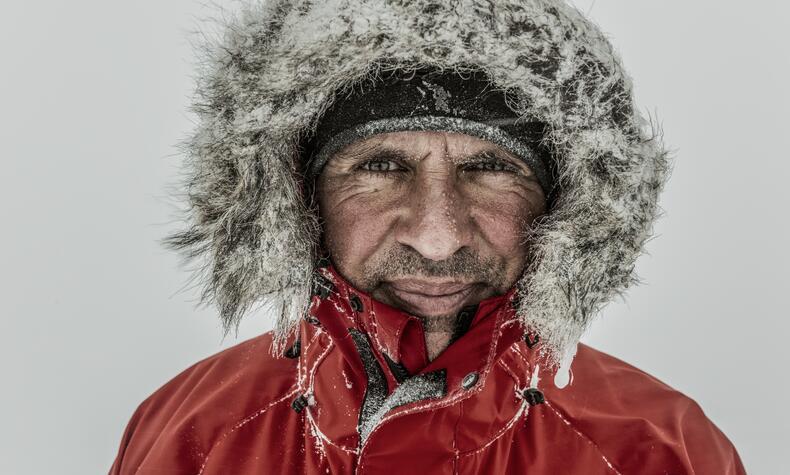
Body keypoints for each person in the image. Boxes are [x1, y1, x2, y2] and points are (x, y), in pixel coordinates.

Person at [110, 1, 745, 473]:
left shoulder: (657, 451)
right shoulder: (189, 436)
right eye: (381, 166)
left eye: (491, 167)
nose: (438, 238)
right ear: (299, 198)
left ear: (561, 204)